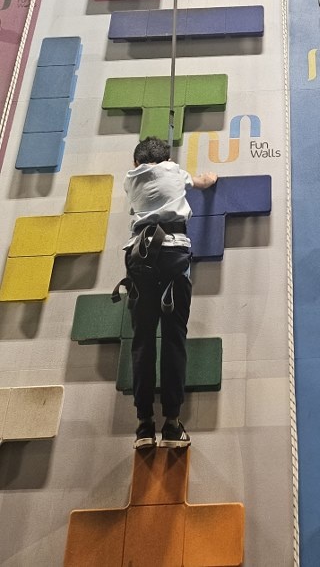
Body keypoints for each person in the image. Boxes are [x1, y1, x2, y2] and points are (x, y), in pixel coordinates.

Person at [122, 136, 217, 450]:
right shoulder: (175, 171)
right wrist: (210, 177)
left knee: (142, 341)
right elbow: (203, 181)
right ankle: (173, 425)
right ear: (167, 160)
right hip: (173, 256)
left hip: (139, 258)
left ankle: (144, 426)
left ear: (136, 162)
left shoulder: (130, 179)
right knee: (174, 339)